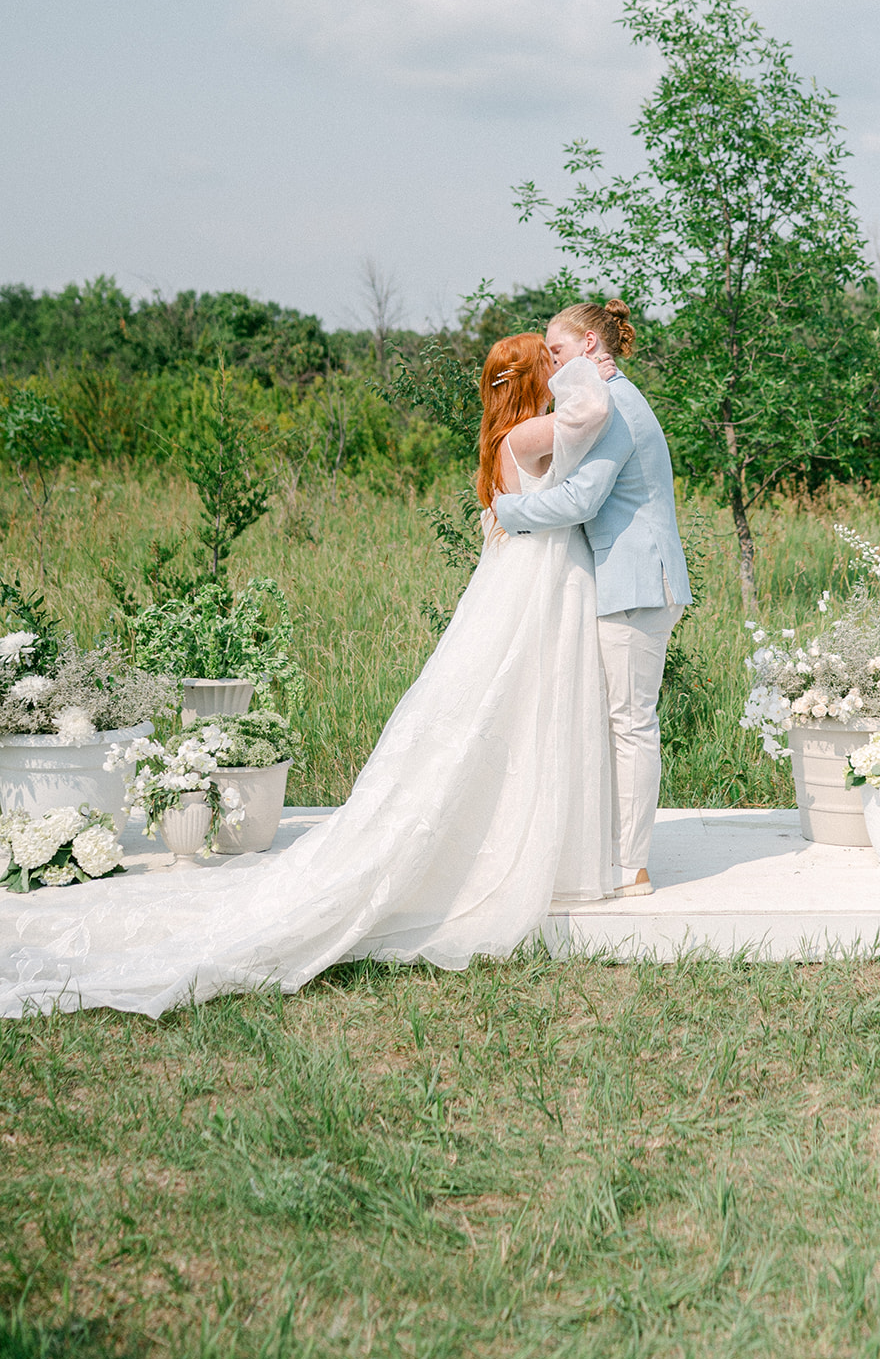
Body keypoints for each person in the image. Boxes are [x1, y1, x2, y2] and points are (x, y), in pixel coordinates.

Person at [0, 334, 614, 1019]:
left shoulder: (502, 434)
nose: (562, 373)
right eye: (550, 364)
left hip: (523, 580)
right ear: (535, 377)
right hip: (532, 584)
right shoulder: (530, 431)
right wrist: (596, 365)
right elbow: (589, 417)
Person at [494, 301, 692, 896]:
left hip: (636, 584)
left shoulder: (617, 408)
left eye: (555, 353)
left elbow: (582, 500)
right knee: (621, 723)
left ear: (586, 347)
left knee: (631, 724)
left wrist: (506, 511)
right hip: (634, 581)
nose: (549, 368)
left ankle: (631, 865)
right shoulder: (611, 400)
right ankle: (616, 851)